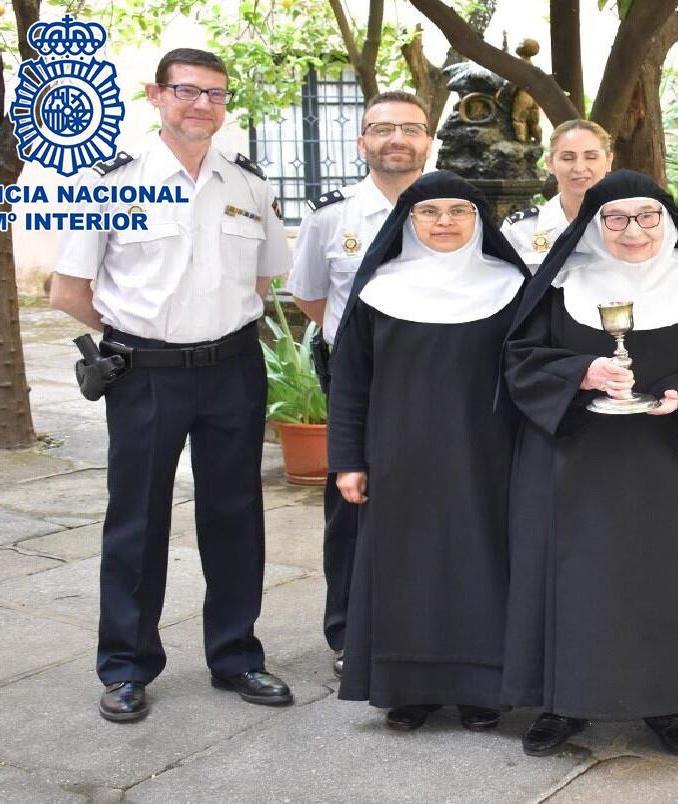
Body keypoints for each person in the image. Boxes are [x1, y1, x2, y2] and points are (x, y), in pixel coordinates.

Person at [49, 48, 293, 722]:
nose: (202, 105)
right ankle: (126, 667)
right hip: (145, 372)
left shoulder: (247, 184)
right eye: (187, 91)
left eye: (216, 94)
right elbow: (68, 289)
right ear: (156, 95)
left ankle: (238, 656)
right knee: (137, 519)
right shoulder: (108, 179)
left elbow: (265, 279)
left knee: (235, 514)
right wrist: (132, 333)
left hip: (231, 370)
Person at [502, 170, 678, 758]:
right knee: (575, 583)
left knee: (668, 581)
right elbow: (519, 359)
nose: (633, 231)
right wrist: (581, 373)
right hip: (575, 465)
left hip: (672, 463)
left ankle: (667, 703)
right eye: (616, 218)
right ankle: (561, 703)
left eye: (647, 216)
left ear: (666, 220)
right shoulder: (562, 279)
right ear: (594, 224)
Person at [326, 172, 529, 732]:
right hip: (398, 458)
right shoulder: (379, 289)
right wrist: (348, 459)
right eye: (429, 212)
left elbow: (531, 372)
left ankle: (481, 689)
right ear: (408, 221)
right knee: (405, 570)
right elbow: (349, 383)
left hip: (486, 455)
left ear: (479, 220)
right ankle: (406, 689)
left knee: (481, 565)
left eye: (458, 211)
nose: (444, 222)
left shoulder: (511, 285)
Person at [288, 90, 434, 678]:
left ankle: (429, 620)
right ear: (362, 141)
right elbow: (310, 295)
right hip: (361, 382)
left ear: (427, 140)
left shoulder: (453, 207)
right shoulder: (333, 215)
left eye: (409, 128)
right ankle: (349, 630)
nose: (396, 139)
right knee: (352, 500)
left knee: (436, 502)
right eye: (382, 129)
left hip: (437, 382)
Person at [502, 119, 614, 270]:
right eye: (568, 158)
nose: (579, 168)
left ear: (608, 161)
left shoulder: (635, 225)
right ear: (550, 163)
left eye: (591, 157)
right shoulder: (520, 230)